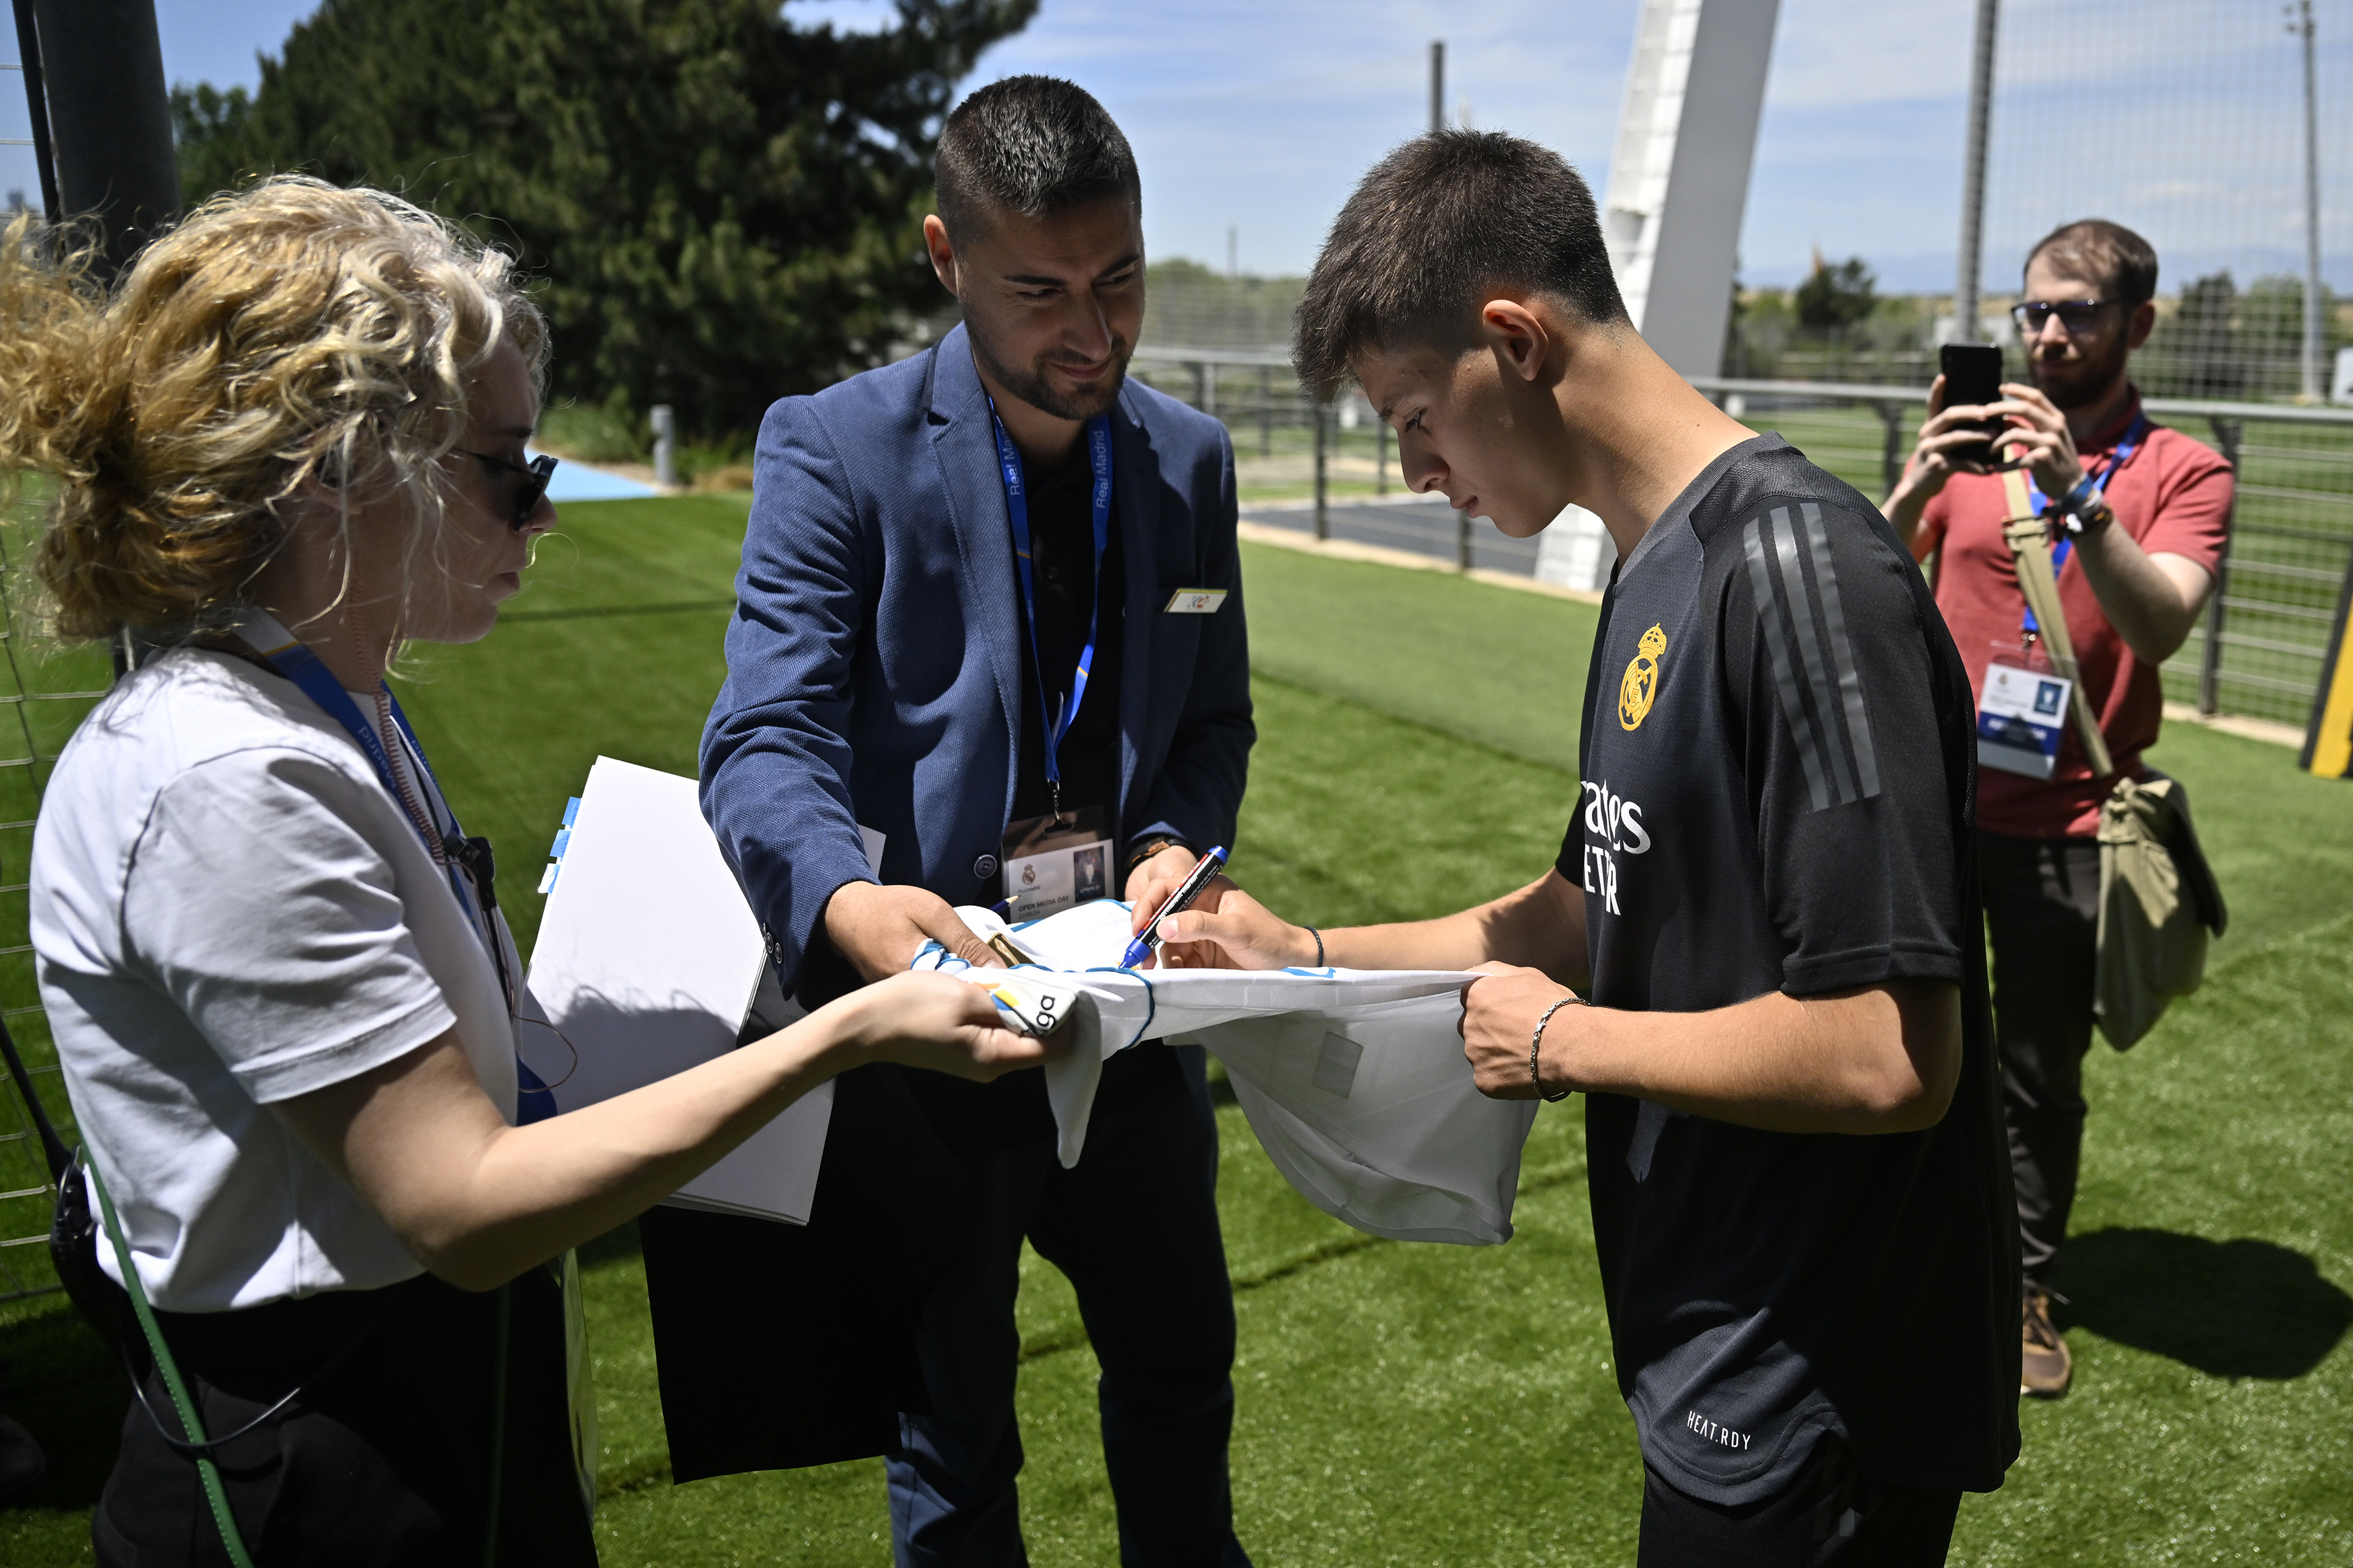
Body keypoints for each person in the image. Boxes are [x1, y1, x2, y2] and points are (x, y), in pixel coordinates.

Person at [8, 177, 1051, 1567]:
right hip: (328, 1461)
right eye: (511, 468)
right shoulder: (228, 780)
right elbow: (464, 1206)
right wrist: (846, 1039)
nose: (542, 514)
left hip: (433, 1402)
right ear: (346, 469)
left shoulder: (333, 709)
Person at [1160, 131, 2018, 1566]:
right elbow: (1581, 903)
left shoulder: (1802, 574)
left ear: (1513, 339)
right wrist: (1294, 954)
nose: (1415, 466)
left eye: (1414, 415)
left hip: (1815, 1381)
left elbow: (1888, 1051)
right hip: (1710, 1328)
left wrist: (1569, 1048)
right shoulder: (1653, 564)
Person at [699, 76, 1253, 1568]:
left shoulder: (1189, 465)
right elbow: (761, 742)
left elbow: (1212, 728)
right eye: (1041, 291)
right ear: (946, 259)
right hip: (932, 1025)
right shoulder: (836, 447)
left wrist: (1169, 850)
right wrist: (847, 909)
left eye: (1120, 277)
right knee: (951, 1439)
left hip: (1126, 1023)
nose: (1095, 331)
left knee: (1182, 1381)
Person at [1882, 220, 2233, 1399]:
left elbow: (2162, 621)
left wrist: (2076, 491)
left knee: (2035, 1073)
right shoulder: (1974, 451)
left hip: (2073, 826)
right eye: (2033, 309)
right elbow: (1874, 583)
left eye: (2077, 311)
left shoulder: (2183, 468)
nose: (2046, 332)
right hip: (1935, 810)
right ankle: (1907, 1246)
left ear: (2137, 323)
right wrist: (1924, 479)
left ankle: (2026, 1280)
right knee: (1900, 1045)